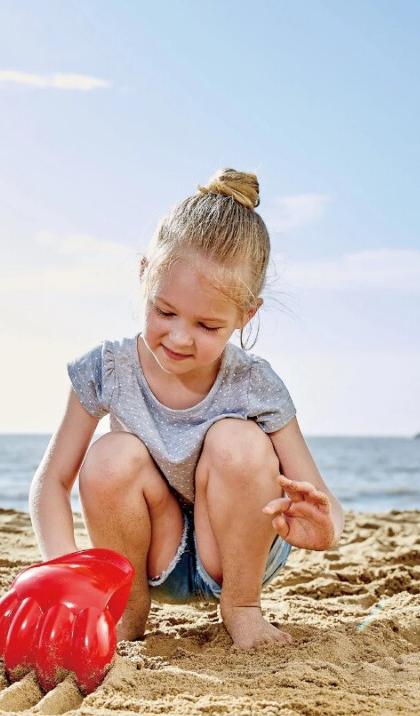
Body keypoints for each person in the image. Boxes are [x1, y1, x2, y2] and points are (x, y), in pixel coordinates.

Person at [29, 168, 344, 650]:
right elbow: (52, 482)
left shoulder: (254, 384)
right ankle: (128, 612)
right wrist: (65, 567)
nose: (178, 338)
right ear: (143, 276)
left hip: (239, 553)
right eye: (165, 311)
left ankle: (242, 611)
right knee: (109, 454)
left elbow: (321, 499)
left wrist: (326, 530)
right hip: (154, 552)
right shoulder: (107, 370)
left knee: (236, 441)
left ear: (246, 316)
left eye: (207, 325)